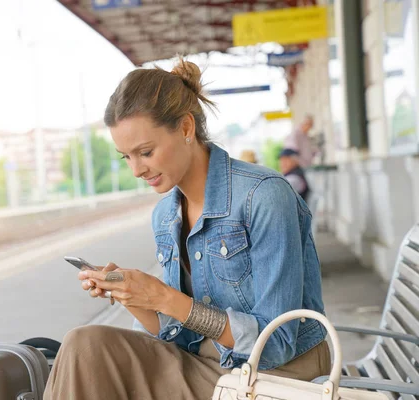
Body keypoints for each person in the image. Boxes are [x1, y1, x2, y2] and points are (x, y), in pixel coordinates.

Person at [43, 59, 330, 400]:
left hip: (273, 375)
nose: (136, 169)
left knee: (95, 366)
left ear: (185, 128)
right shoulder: (166, 214)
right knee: (85, 344)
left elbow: (277, 343)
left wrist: (165, 298)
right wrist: (131, 295)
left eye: (145, 152)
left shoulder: (264, 196)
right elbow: (177, 336)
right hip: (207, 364)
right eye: (126, 157)